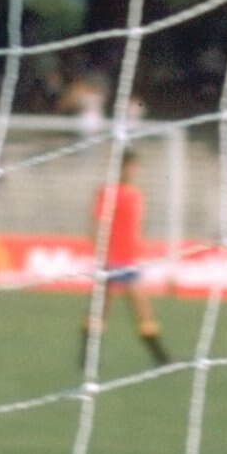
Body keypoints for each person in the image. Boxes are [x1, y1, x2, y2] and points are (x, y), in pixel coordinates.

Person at [81, 148, 174, 374]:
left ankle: (161, 357)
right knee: (101, 312)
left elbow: (134, 229)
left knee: (142, 310)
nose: (132, 171)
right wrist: (101, 255)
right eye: (128, 166)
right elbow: (97, 225)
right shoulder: (108, 193)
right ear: (120, 168)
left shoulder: (136, 194)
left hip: (130, 261)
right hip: (112, 260)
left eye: (135, 167)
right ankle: (87, 357)